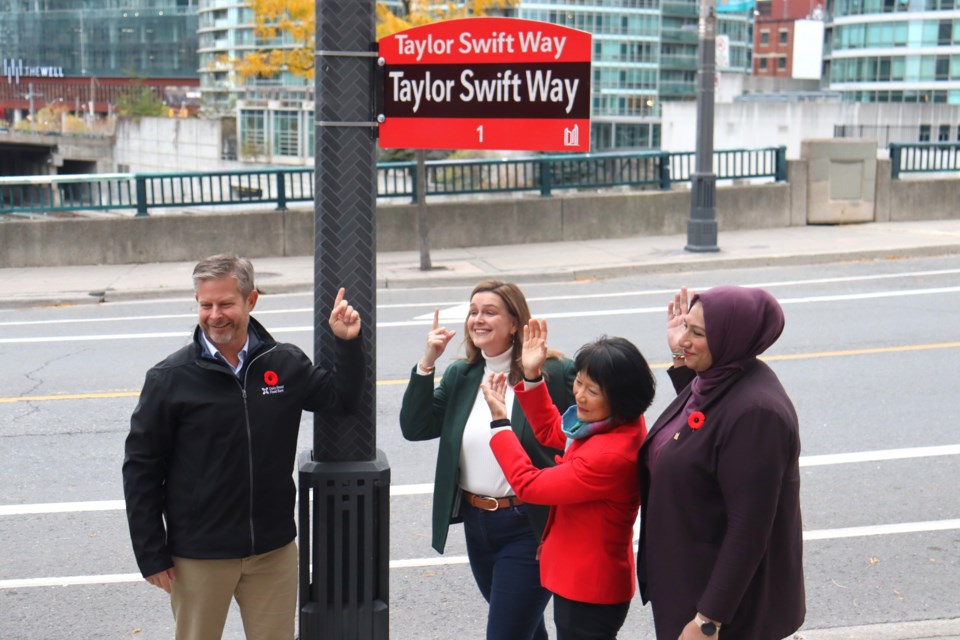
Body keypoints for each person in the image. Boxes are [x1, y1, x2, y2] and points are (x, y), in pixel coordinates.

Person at [122, 254, 364, 640]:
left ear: (251, 301)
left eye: (225, 304)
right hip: (198, 554)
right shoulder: (170, 378)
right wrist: (150, 552)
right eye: (206, 304)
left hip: (272, 550)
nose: (215, 315)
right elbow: (141, 467)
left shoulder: (283, 363)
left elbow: (342, 400)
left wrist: (346, 344)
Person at [399, 280, 576, 640]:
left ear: (514, 323)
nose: (478, 319)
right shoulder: (461, 376)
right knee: (525, 629)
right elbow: (415, 427)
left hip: (530, 524)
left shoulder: (551, 372)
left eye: (490, 312)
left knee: (506, 633)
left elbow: (593, 420)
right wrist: (427, 362)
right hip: (478, 523)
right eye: (473, 312)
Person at [636, 286, 805, 640]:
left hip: (725, 611)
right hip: (689, 577)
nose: (683, 338)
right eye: (686, 326)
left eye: (697, 333)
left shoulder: (757, 414)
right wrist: (684, 357)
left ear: (733, 338)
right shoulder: (716, 380)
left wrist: (708, 620)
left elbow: (749, 528)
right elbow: (705, 428)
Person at [481, 320, 656, 640]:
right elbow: (553, 432)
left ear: (621, 397)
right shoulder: (613, 422)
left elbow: (529, 485)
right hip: (581, 577)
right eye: (579, 382)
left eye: (592, 390)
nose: (579, 395)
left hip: (589, 589)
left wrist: (500, 425)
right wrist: (533, 377)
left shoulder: (610, 456)